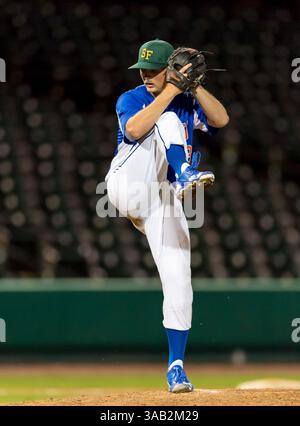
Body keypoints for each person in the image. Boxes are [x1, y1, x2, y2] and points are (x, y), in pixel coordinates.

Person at [105, 39, 229, 393]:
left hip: (161, 196)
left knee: (179, 277)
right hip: (129, 182)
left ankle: (176, 366)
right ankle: (186, 172)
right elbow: (132, 131)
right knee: (167, 116)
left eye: (153, 68)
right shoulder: (131, 99)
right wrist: (171, 91)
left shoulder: (187, 100)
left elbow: (222, 119)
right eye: (141, 69)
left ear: (171, 68)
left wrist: (195, 86)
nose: (145, 74)